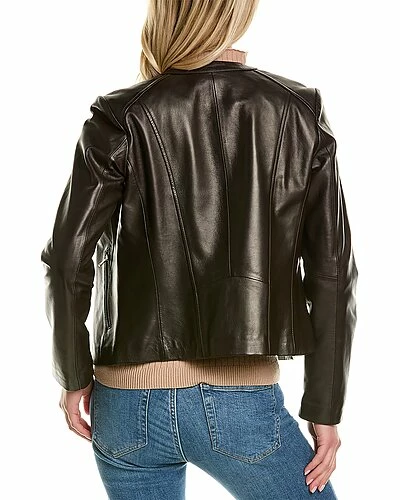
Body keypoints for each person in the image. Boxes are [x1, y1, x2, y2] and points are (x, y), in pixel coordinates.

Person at [40, 0, 358, 498]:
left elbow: (66, 260)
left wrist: (73, 373)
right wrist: (325, 407)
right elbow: (331, 273)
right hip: (240, 403)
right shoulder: (298, 110)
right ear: (237, 14)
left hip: (125, 407)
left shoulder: (120, 114)